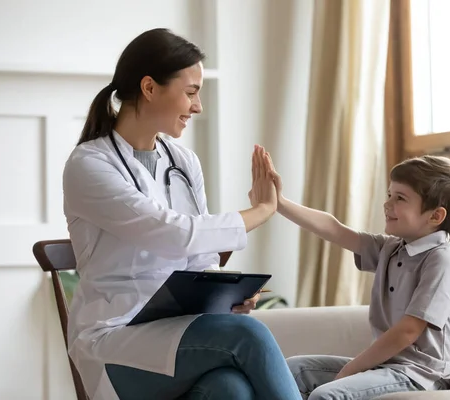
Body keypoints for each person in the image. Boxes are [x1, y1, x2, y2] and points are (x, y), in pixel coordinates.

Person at [62, 28, 302, 400]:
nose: (198, 106)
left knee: (230, 389)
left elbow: (200, 257)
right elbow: (174, 233)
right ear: (150, 88)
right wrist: (263, 210)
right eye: (191, 92)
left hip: (176, 329)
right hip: (115, 338)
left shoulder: (183, 161)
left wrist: (227, 294)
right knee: (247, 336)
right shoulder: (90, 164)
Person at [260, 148, 450, 399]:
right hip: (386, 367)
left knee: (326, 395)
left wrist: (353, 368)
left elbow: (408, 330)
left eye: (400, 199)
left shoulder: (440, 261)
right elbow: (334, 229)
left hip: (419, 376)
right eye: (389, 195)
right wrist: (279, 203)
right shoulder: (392, 247)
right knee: (290, 371)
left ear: (436, 216)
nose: (387, 204)